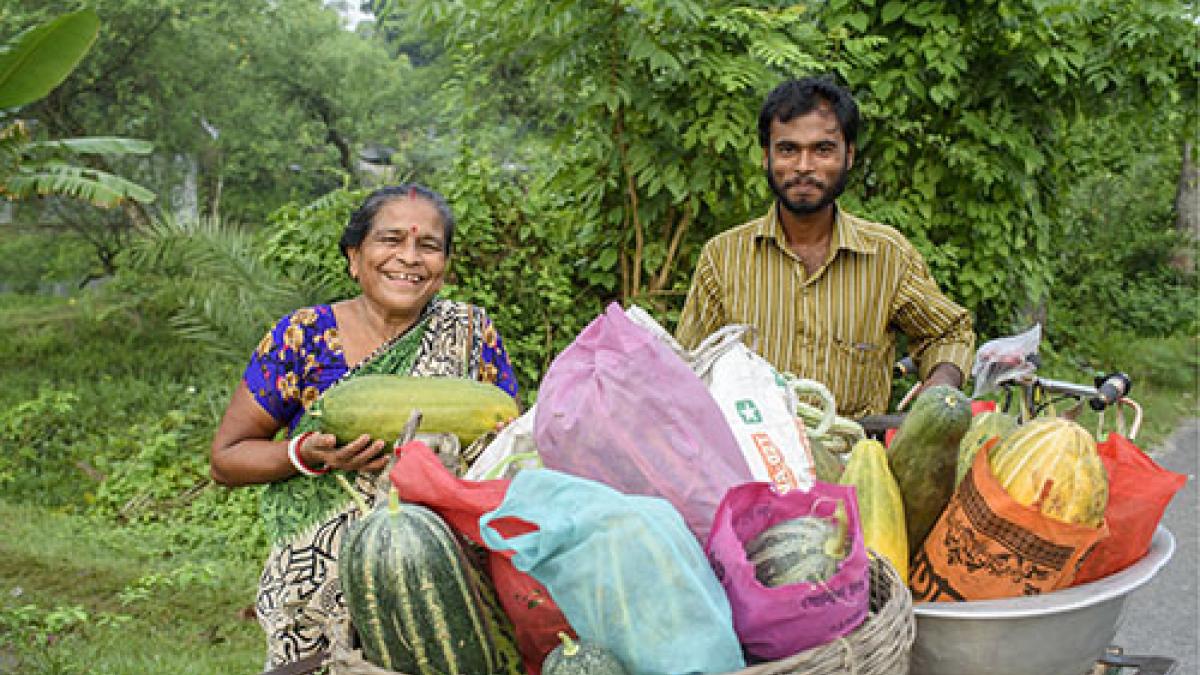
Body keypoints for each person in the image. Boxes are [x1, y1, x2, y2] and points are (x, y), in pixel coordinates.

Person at [210, 183, 519, 669]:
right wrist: (303, 455)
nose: (410, 257)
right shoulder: (303, 337)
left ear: (444, 269)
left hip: (440, 587)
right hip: (315, 591)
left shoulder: (472, 335)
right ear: (355, 256)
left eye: (428, 246)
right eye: (390, 240)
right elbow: (227, 459)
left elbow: (506, 452)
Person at [675, 76, 974, 418]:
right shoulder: (723, 258)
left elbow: (949, 332)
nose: (804, 166)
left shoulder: (888, 256)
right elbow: (687, 371)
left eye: (822, 149)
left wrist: (939, 390)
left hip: (854, 461)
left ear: (849, 156)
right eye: (788, 149)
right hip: (753, 460)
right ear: (766, 157)